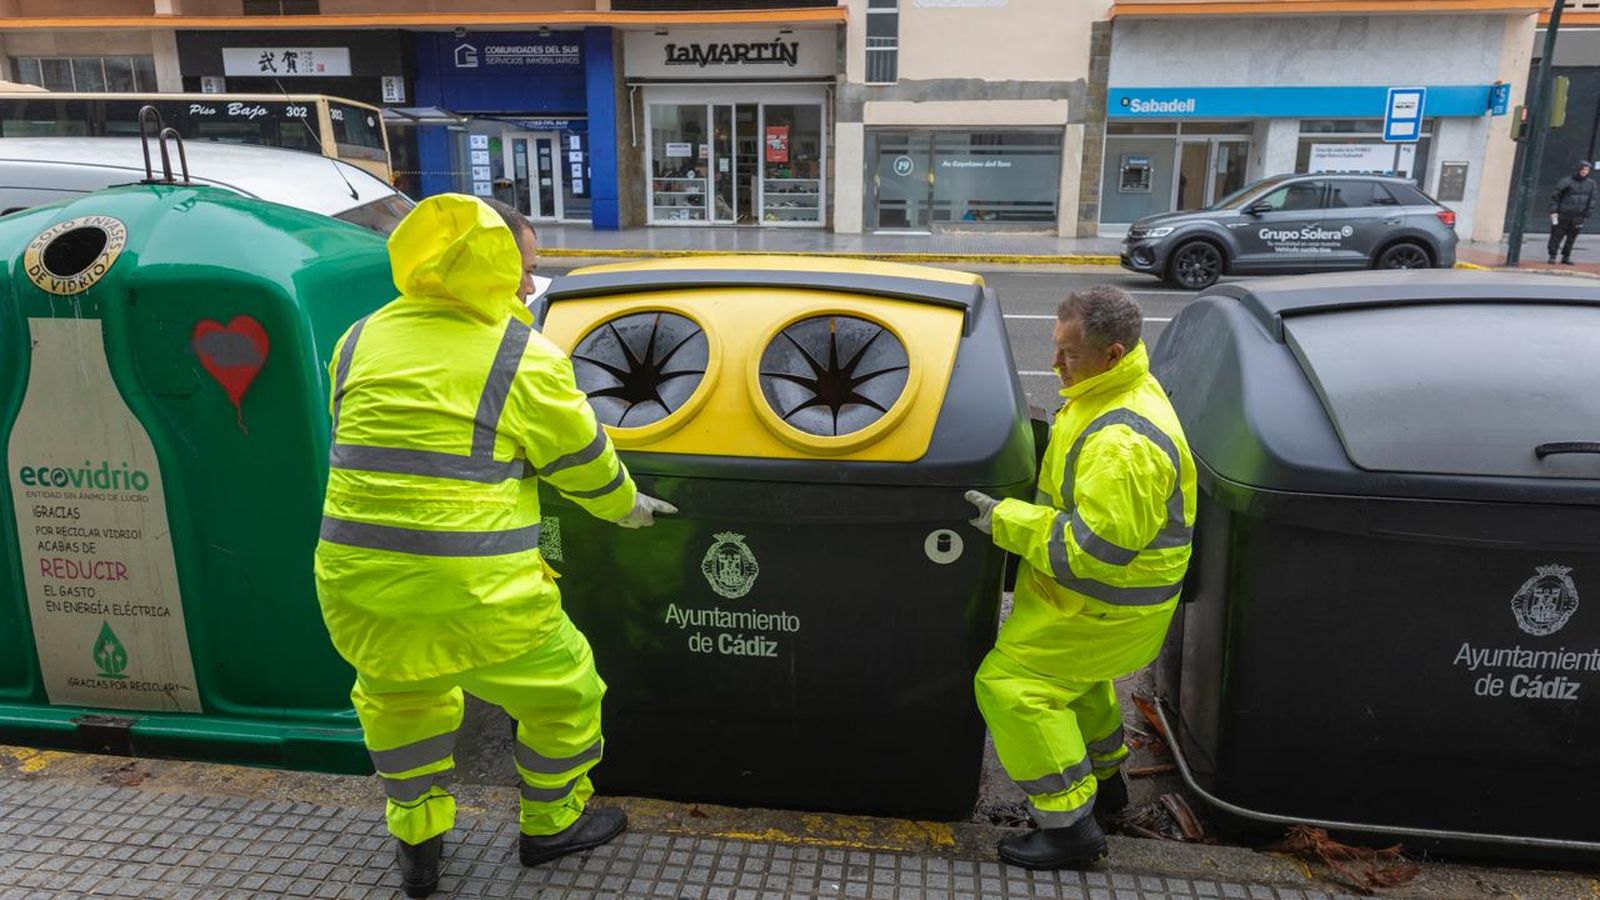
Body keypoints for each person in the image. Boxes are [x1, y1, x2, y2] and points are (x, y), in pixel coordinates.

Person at [314, 193, 677, 898]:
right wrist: (629, 508)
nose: (527, 284)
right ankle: (551, 824)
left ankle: (417, 847)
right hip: (480, 596)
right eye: (522, 267)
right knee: (565, 695)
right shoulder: (520, 357)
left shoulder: (358, 338)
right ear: (489, 269)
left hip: (358, 585)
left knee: (402, 709)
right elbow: (583, 464)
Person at [964, 285, 1195, 870]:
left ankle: (1069, 829)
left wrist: (1006, 520)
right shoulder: (1104, 394)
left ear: (1114, 353)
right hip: (1094, 605)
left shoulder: (1124, 443)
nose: (1054, 363)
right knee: (1078, 685)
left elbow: (1093, 550)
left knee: (1013, 688)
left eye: (1069, 352)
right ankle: (1106, 788)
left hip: (1104, 604)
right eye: (1055, 346)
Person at [1549, 160, 1596, 265]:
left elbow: (1592, 200)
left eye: (1587, 170)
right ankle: (1552, 255)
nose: (1585, 172)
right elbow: (1555, 197)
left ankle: (1566, 256)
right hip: (1564, 214)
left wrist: (1587, 214)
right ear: (1578, 169)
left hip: (1579, 215)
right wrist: (1554, 211)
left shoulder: (1591, 184)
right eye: (1583, 169)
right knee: (1557, 235)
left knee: (1572, 237)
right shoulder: (1566, 182)